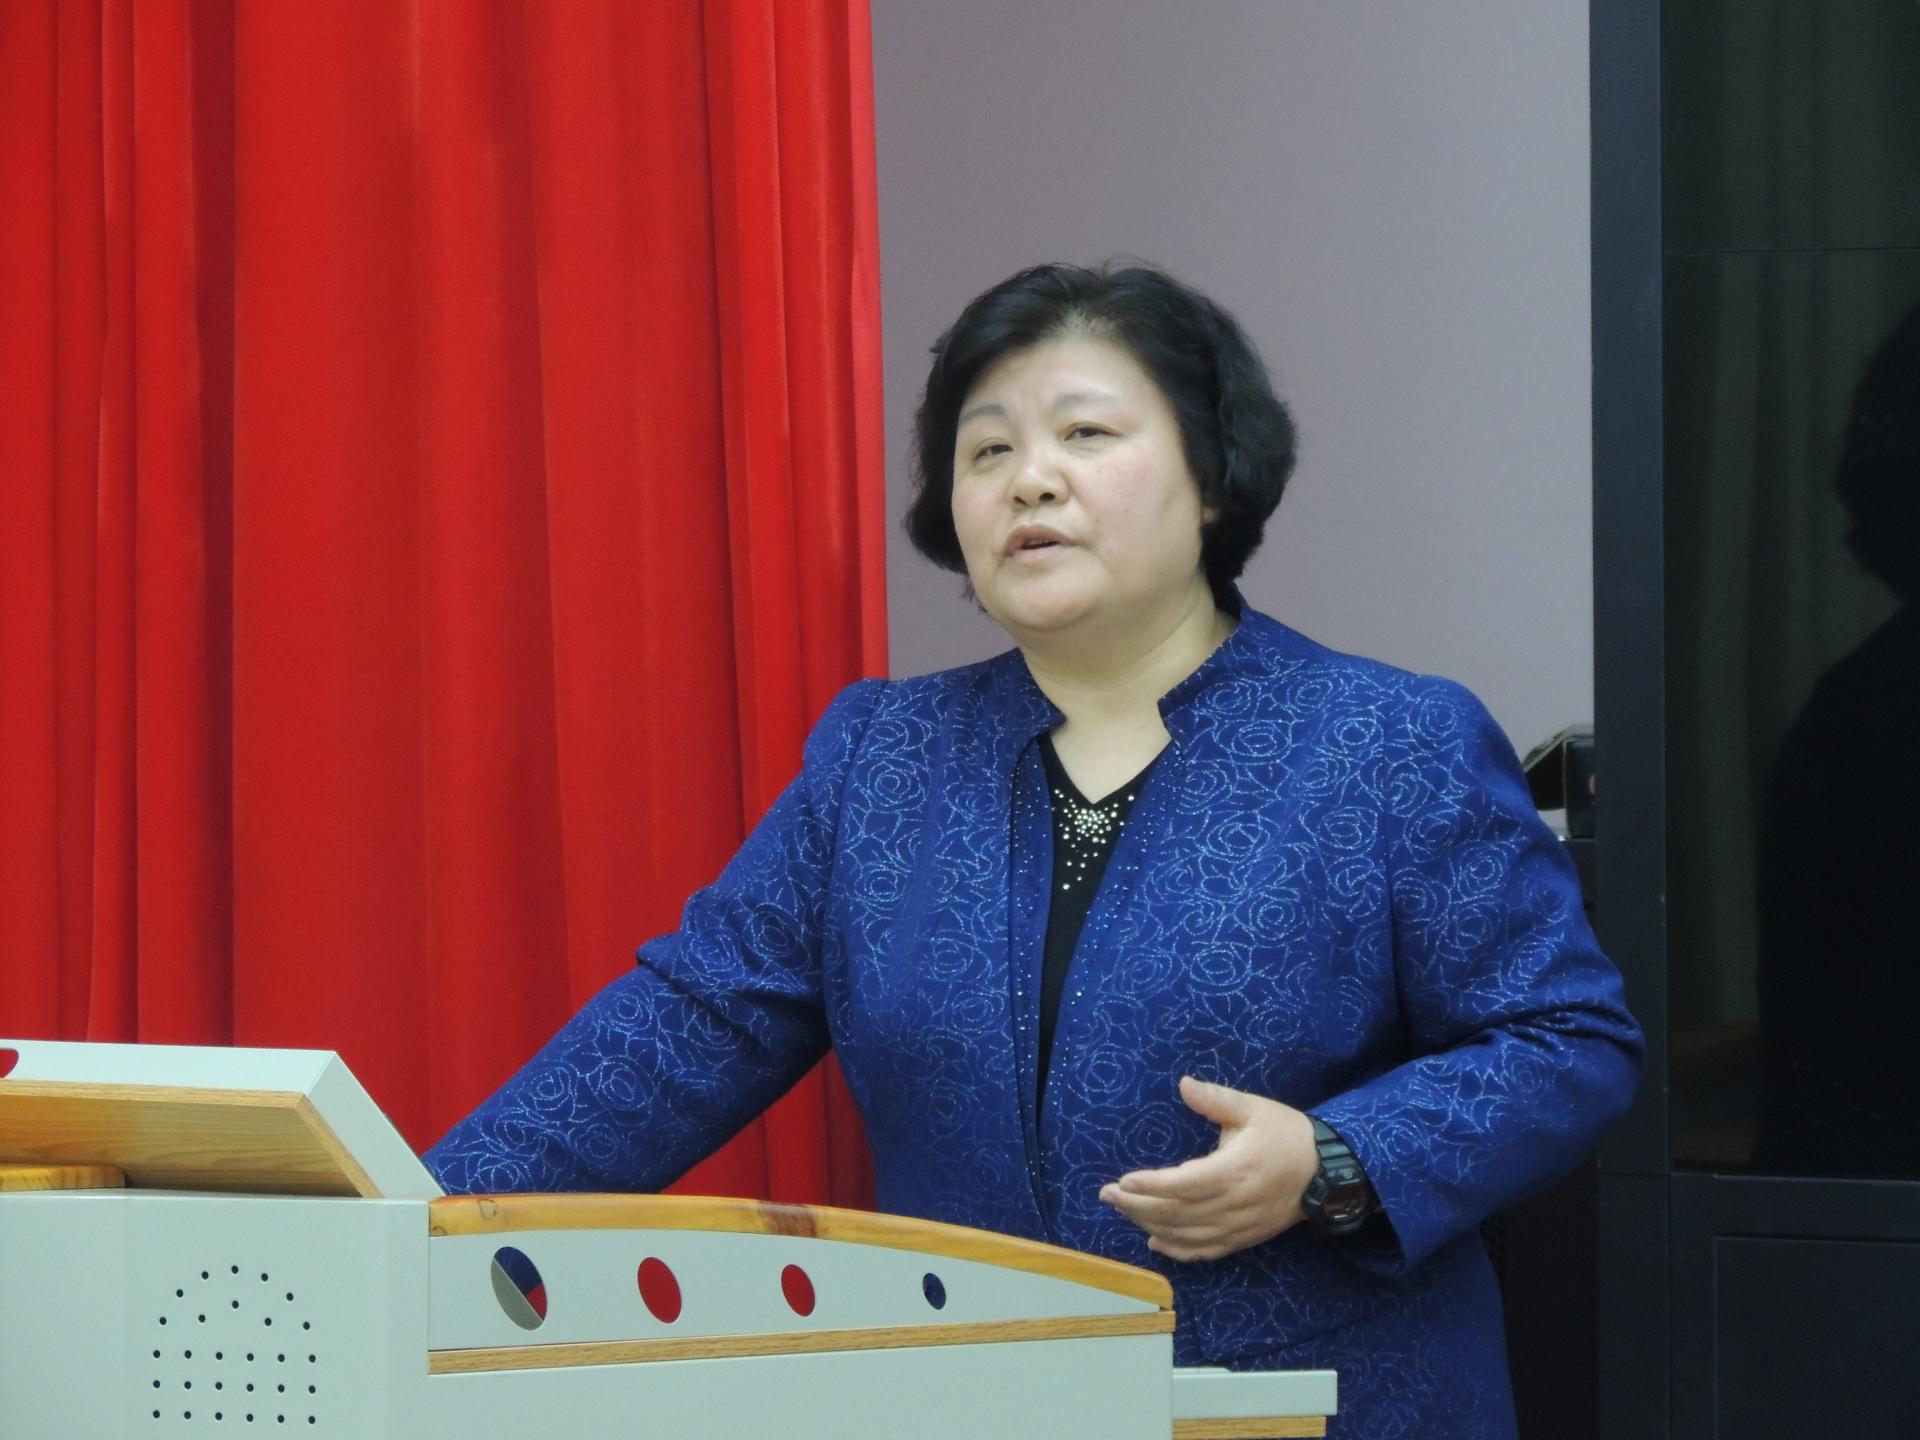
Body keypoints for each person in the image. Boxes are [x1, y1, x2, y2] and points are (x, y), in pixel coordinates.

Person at [426, 262, 1643, 1439]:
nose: (1030, 481)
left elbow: (1564, 1039)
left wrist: (1336, 1160)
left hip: (1315, 1406)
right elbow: (689, 1026)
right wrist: (406, 1220)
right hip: (976, 1400)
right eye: (987, 451)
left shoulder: (1386, 741)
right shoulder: (882, 756)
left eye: (1085, 435)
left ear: (1210, 477)